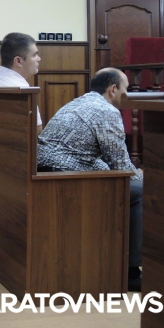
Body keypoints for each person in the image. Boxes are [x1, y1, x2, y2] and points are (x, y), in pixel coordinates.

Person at [37, 68, 143, 292]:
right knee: (140, 190)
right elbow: (120, 165)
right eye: (126, 89)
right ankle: (131, 271)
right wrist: (142, 176)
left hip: (45, 171)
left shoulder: (78, 102)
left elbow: (91, 157)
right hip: (65, 177)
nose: (128, 95)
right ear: (113, 89)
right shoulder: (107, 111)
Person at [0, 33, 43, 134]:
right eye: (34, 55)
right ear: (18, 61)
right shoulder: (23, 90)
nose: (39, 58)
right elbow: (36, 132)